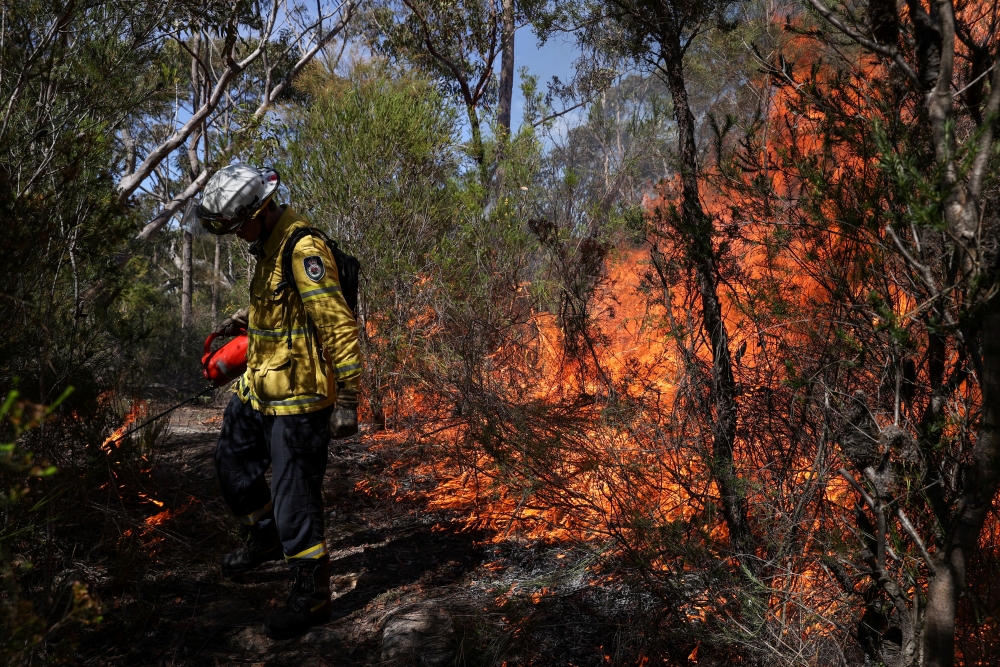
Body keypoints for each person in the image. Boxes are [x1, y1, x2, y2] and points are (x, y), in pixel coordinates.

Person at [197, 163, 362, 639]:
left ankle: (312, 597)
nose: (235, 235)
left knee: (296, 501)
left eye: (237, 225)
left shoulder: (302, 248)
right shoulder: (267, 247)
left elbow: (337, 323)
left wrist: (348, 396)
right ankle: (264, 537)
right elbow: (281, 307)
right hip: (262, 386)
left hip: (301, 399)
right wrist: (244, 319)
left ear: (262, 210)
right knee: (231, 461)